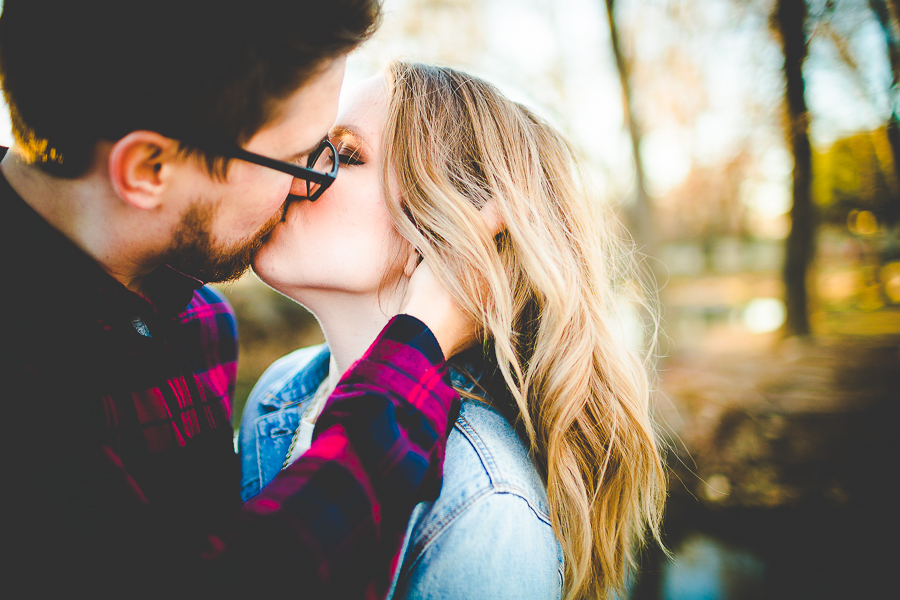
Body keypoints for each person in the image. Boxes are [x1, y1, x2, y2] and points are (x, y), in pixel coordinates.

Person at [1, 2, 474, 597]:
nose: (308, 183)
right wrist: (413, 355)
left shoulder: (203, 326)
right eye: (299, 154)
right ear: (148, 168)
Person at [243, 61, 668, 600]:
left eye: (344, 155)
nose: (296, 173)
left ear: (450, 226)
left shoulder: (484, 502)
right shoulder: (281, 393)